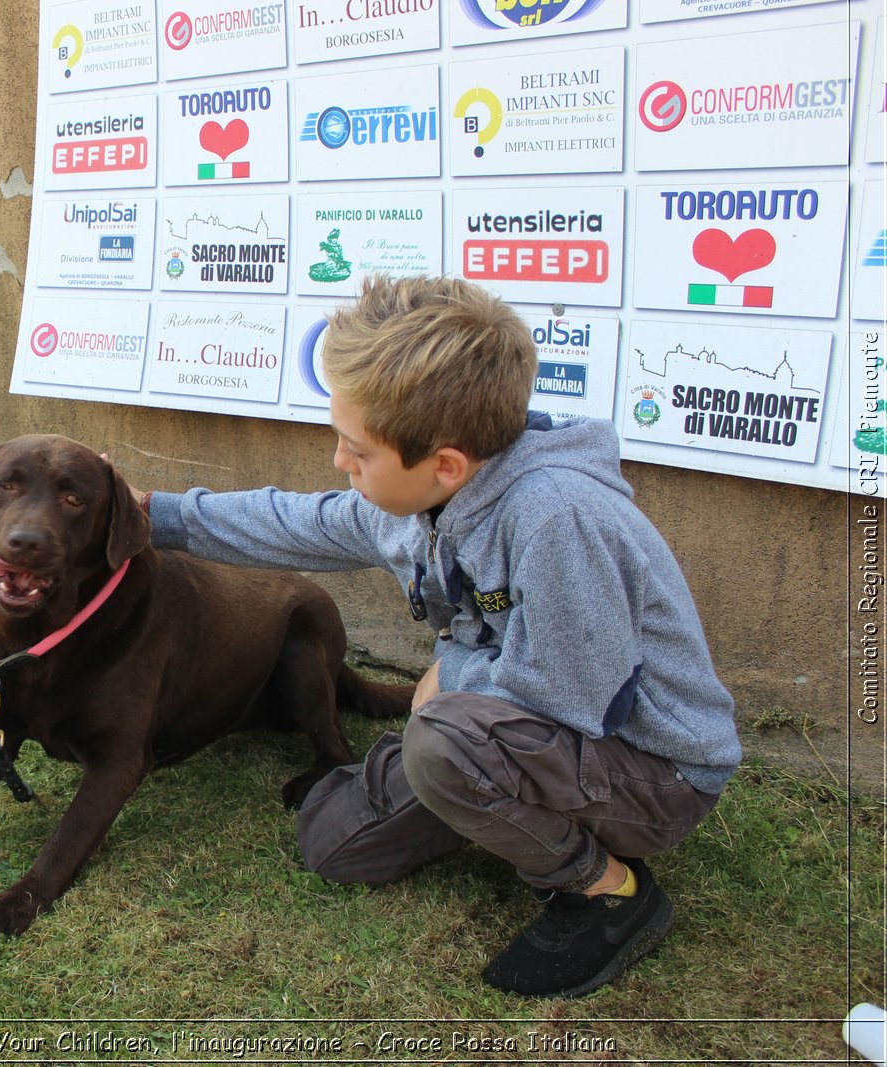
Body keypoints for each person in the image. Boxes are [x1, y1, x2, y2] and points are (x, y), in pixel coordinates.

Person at [136, 274, 740, 998]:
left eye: (356, 450)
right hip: (517, 730)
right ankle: (475, 785)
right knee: (332, 843)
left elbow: (578, 692)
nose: (339, 462)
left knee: (443, 742)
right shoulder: (417, 498)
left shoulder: (556, 516)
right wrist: (156, 514)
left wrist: (450, 677)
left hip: (652, 770)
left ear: (443, 463)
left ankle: (606, 889)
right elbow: (297, 520)